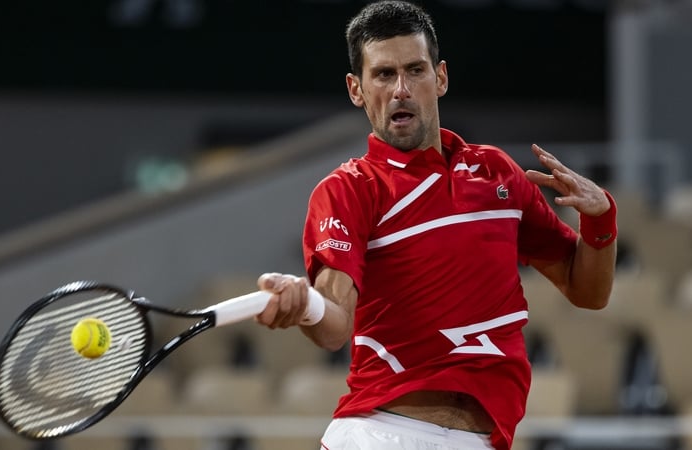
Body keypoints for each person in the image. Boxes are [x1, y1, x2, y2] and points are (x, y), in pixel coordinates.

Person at [254, 1, 618, 449]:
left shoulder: (498, 174)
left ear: (440, 77)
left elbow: (589, 292)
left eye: (415, 70)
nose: (401, 89)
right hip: (381, 434)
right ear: (356, 89)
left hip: (480, 440)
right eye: (384, 75)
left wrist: (600, 220)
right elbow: (334, 325)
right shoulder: (350, 189)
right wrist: (305, 304)